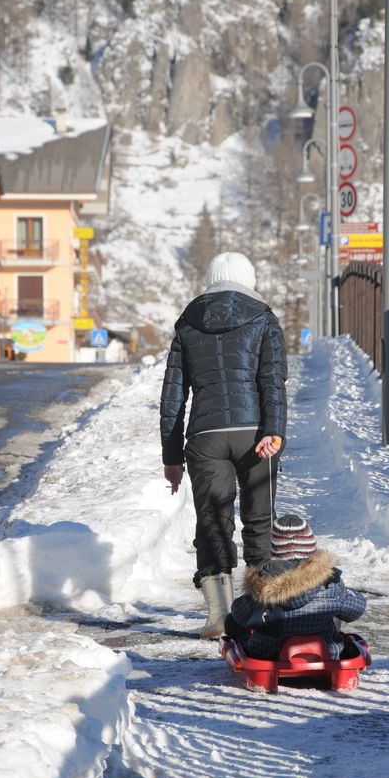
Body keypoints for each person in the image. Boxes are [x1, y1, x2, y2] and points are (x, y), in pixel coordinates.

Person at [160, 251, 287, 638]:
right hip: (254, 434)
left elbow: (173, 397)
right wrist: (274, 430)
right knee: (259, 521)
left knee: (213, 521)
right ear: (248, 280)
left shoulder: (187, 323)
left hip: (205, 436)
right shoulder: (263, 318)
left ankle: (219, 617)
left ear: (209, 281)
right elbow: (273, 382)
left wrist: (171, 457)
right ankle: (262, 611)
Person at [224, 513, 366, 660]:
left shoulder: (262, 586)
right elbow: (356, 610)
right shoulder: (331, 584)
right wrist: (345, 593)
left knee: (232, 622)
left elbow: (238, 615)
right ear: (311, 549)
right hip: (327, 653)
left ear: (275, 550)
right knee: (335, 613)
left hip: (269, 655)